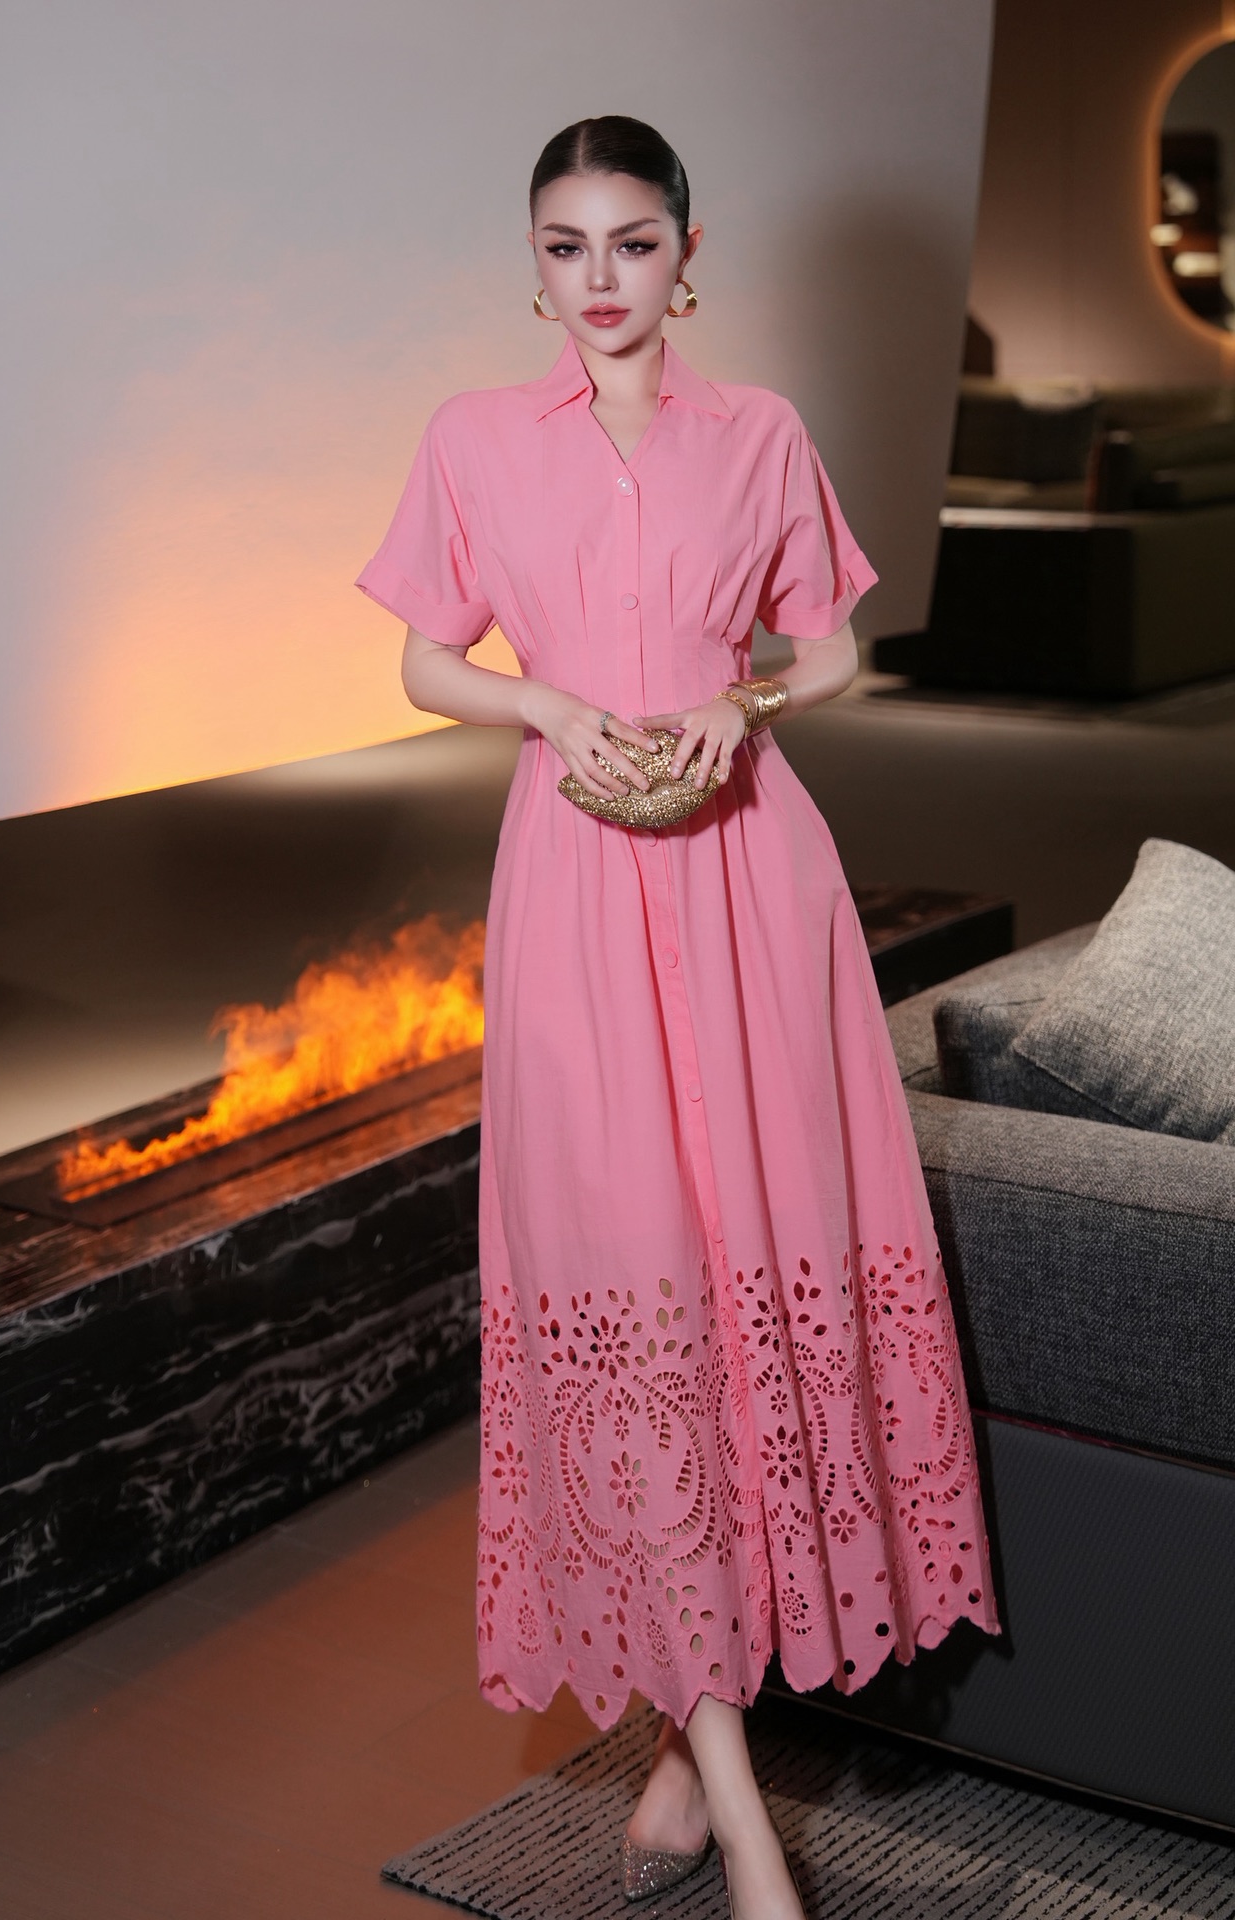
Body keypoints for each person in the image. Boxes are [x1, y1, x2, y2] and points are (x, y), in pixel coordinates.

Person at [356, 115, 999, 1920]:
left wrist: (747, 706)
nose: (600, 279)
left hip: (746, 883)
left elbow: (835, 645)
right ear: (534, 260)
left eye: (632, 243)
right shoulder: (474, 437)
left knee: (746, 1282)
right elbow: (423, 658)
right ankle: (748, 1823)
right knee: (627, 1276)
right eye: (566, 246)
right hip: (575, 886)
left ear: (685, 253)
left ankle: (682, 1757)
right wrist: (549, 708)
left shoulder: (760, 431)